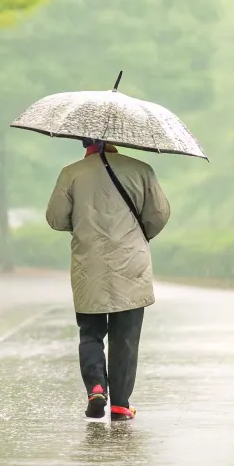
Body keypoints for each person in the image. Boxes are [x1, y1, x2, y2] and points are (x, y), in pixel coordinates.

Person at [44, 138, 171, 423]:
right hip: (131, 264)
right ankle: (121, 406)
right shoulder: (141, 170)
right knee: (125, 337)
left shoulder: (71, 173)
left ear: (83, 140)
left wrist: (82, 222)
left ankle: (96, 387)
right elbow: (159, 215)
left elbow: (55, 218)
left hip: (89, 263)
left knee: (90, 332)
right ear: (116, 139)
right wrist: (137, 236)